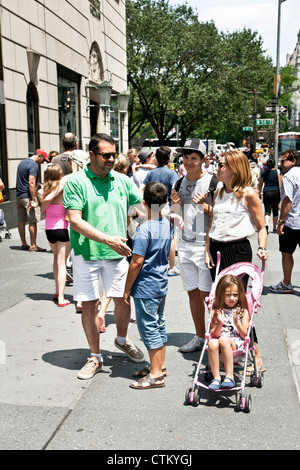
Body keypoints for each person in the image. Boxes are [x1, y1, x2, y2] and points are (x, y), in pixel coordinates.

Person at [63, 133, 145, 380]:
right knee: (89, 304)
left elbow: (142, 207)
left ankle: (122, 339)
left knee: (123, 298)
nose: (111, 159)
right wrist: (106, 238)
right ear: (91, 154)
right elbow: (75, 220)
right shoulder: (76, 181)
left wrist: (164, 215)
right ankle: (95, 356)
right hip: (86, 253)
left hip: (117, 252)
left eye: (114, 155)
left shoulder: (121, 180)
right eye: (106, 155)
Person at [205, 150, 268, 373]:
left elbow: (262, 227)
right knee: (218, 303)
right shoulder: (219, 191)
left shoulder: (248, 194)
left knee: (239, 305)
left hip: (238, 250)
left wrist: (261, 247)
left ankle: (255, 354)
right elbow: (212, 223)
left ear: (234, 168)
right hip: (217, 249)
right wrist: (207, 250)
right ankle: (227, 351)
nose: (217, 168)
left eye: (221, 165)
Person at [124, 182, 177, 389]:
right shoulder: (167, 223)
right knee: (159, 323)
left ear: (144, 203)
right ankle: (160, 365)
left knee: (148, 328)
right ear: (165, 202)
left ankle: (155, 374)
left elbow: (136, 262)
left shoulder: (143, 230)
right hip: (161, 282)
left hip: (146, 285)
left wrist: (127, 289)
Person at [170, 138, 213, 353]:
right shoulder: (179, 183)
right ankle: (199, 336)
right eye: (186, 157)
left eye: (193, 158)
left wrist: (205, 206)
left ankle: (215, 337)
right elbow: (175, 216)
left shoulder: (213, 183)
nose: (188, 162)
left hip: (205, 247)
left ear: (203, 160)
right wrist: (175, 206)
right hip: (185, 245)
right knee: (192, 293)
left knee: (208, 296)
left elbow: (223, 216)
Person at [208, 274, 249, 390]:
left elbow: (245, 334)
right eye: (228, 295)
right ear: (221, 295)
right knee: (212, 342)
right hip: (220, 344)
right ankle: (216, 378)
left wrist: (237, 323)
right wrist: (219, 323)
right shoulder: (217, 311)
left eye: (235, 295)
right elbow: (213, 335)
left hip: (235, 345)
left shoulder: (242, 311)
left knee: (224, 340)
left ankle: (229, 376)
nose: (232, 298)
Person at [142, 146, 179, 276]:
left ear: (156, 158)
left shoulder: (151, 173)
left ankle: (154, 264)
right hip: (166, 206)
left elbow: (142, 188)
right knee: (171, 237)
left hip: (151, 207)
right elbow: (175, 192)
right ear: (169, 158)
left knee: (153, 236)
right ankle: (172, 267)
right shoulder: (171, 173)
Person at [40, 164, 71, 307]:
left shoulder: (42, 191)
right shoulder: (63, 190)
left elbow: (43, 211)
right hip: (62, 228)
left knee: (55, 260)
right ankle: (61, 298)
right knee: (62, 263)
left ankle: (57, 291)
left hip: (49, 229)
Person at [270, 149, 300, 294]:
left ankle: (287, 283)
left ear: (293, 161)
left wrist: (280, 222)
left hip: (292, 222)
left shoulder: (289, 177)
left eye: (283, 160)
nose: (280, 164)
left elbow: (287, 201)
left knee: (286, 253)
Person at [16, 149, 49, 252]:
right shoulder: (33, 165)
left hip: (19, 196)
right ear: (39, 156)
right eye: (43, 160)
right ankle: (33, 245)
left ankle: (24, 243)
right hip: (28, 196)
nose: (43, 163)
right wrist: (34, 198)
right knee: (32, 221)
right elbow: (31, 182)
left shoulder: (22, 163)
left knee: (21, 221)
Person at [257, 157, 282, 233]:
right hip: (276, 192)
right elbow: (282, 183)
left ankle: (267, 224)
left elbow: (260, 184)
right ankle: (274, 227)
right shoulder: (278, 172)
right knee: (275, 210)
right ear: (274, 164)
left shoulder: (264, 173)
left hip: (266, 192)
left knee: (267, 210)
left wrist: (259, 193)